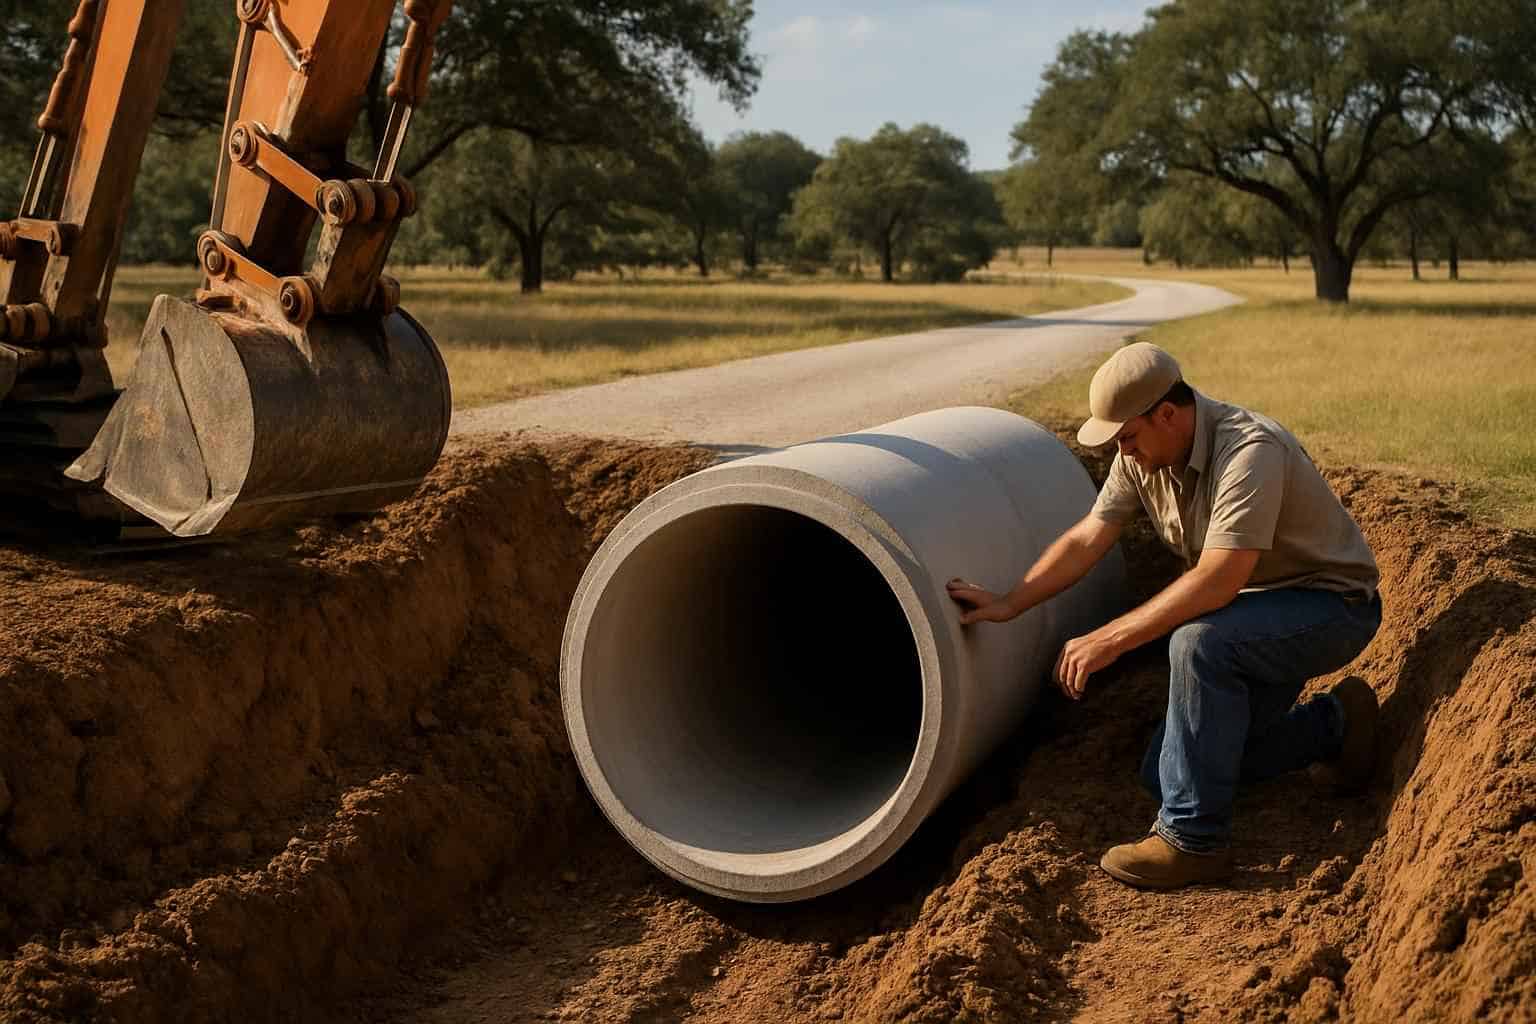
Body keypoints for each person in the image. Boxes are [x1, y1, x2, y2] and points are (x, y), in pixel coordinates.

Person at [946, 342, 1382, 890]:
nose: (1121, 454)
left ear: (1167, 415)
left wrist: (1112, 638)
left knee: (1198, 643)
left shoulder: (1250, 450)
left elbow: (1220, 578)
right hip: (1255, 611)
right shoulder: (1144, 455)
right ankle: (1334, 727)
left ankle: (1193, 841)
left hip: (1330, 606)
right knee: (1168, 770)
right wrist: (1011, 601)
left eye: (1126, 437)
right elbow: (1088, 537)